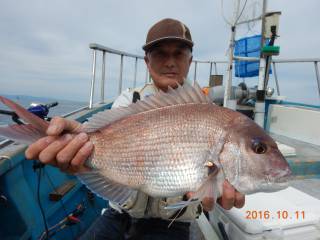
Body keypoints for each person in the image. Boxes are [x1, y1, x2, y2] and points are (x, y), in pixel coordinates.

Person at [25, 18, 245, 239]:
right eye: (160, 53)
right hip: (119, 213)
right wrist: (78, 141)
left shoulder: (208, 113)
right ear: (147, 61)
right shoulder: (129, 100)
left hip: (172, 223)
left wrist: (213, 188)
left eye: (179, 53)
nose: (170, 62)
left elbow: (210, 176)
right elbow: (104, 139)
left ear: (190, 60)